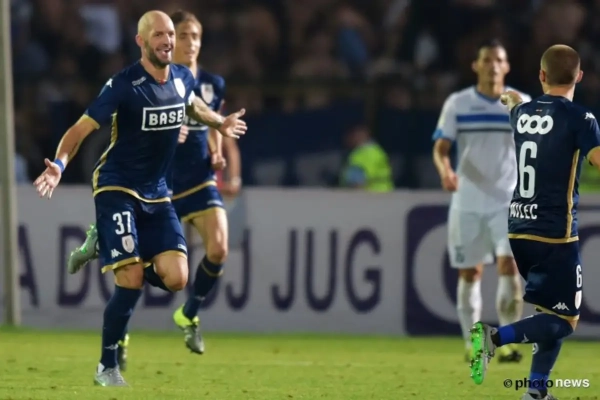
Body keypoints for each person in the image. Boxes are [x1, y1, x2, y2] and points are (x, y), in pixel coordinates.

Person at [33, 10, 247, 387]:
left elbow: (194, 105)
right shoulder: (123, 85)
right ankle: (106, 367)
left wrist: (220, 123)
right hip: (116, 186)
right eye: (159, 35)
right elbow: (81, 128)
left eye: (171, 34)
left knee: (177, 277)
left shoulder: (182, 77)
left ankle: (107, 245)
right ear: (141, 41)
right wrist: (59, 166)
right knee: (130, 278)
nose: (168, 41)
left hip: (158, 192)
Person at [470, 45, 600, 400]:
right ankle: (494, 337)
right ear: (579, 77)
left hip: (519, 226)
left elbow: (515, 107)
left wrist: (511, 100)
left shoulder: (524, 113)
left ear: (542, 75)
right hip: (555, 232)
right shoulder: (581, 118)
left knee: (548, 311)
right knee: (564, 321)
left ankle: (535, 392)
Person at [432, 39, 531, 363]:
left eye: (498, 60)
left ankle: (509, 342)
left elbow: (537, 149)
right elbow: (441, 147)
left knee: (509, 265)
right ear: (476, 66)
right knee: (470, 273)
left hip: (509, 201)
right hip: (468, 201)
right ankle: (472, 343)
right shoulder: (458, 103)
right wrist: (445, 171)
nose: (493, 66)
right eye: (487, 60)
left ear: (507, 66)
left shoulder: (522, 103)